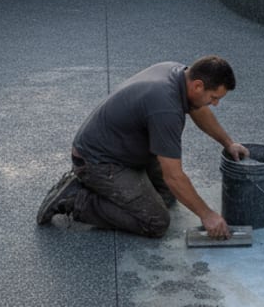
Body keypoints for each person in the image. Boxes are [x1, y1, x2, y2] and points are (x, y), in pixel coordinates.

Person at [37, 56, 248, 239]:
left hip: (121, 148)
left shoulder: (179, 73)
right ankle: (76, 199)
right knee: (156, 222)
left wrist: (228, 143)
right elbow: (173, 176)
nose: (215, 104)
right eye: (214, 98)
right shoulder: (166, 108)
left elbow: (198, 109)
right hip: (98, 162)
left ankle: (117, 190)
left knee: (167, 197)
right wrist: (207, 215)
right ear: (198, 86)